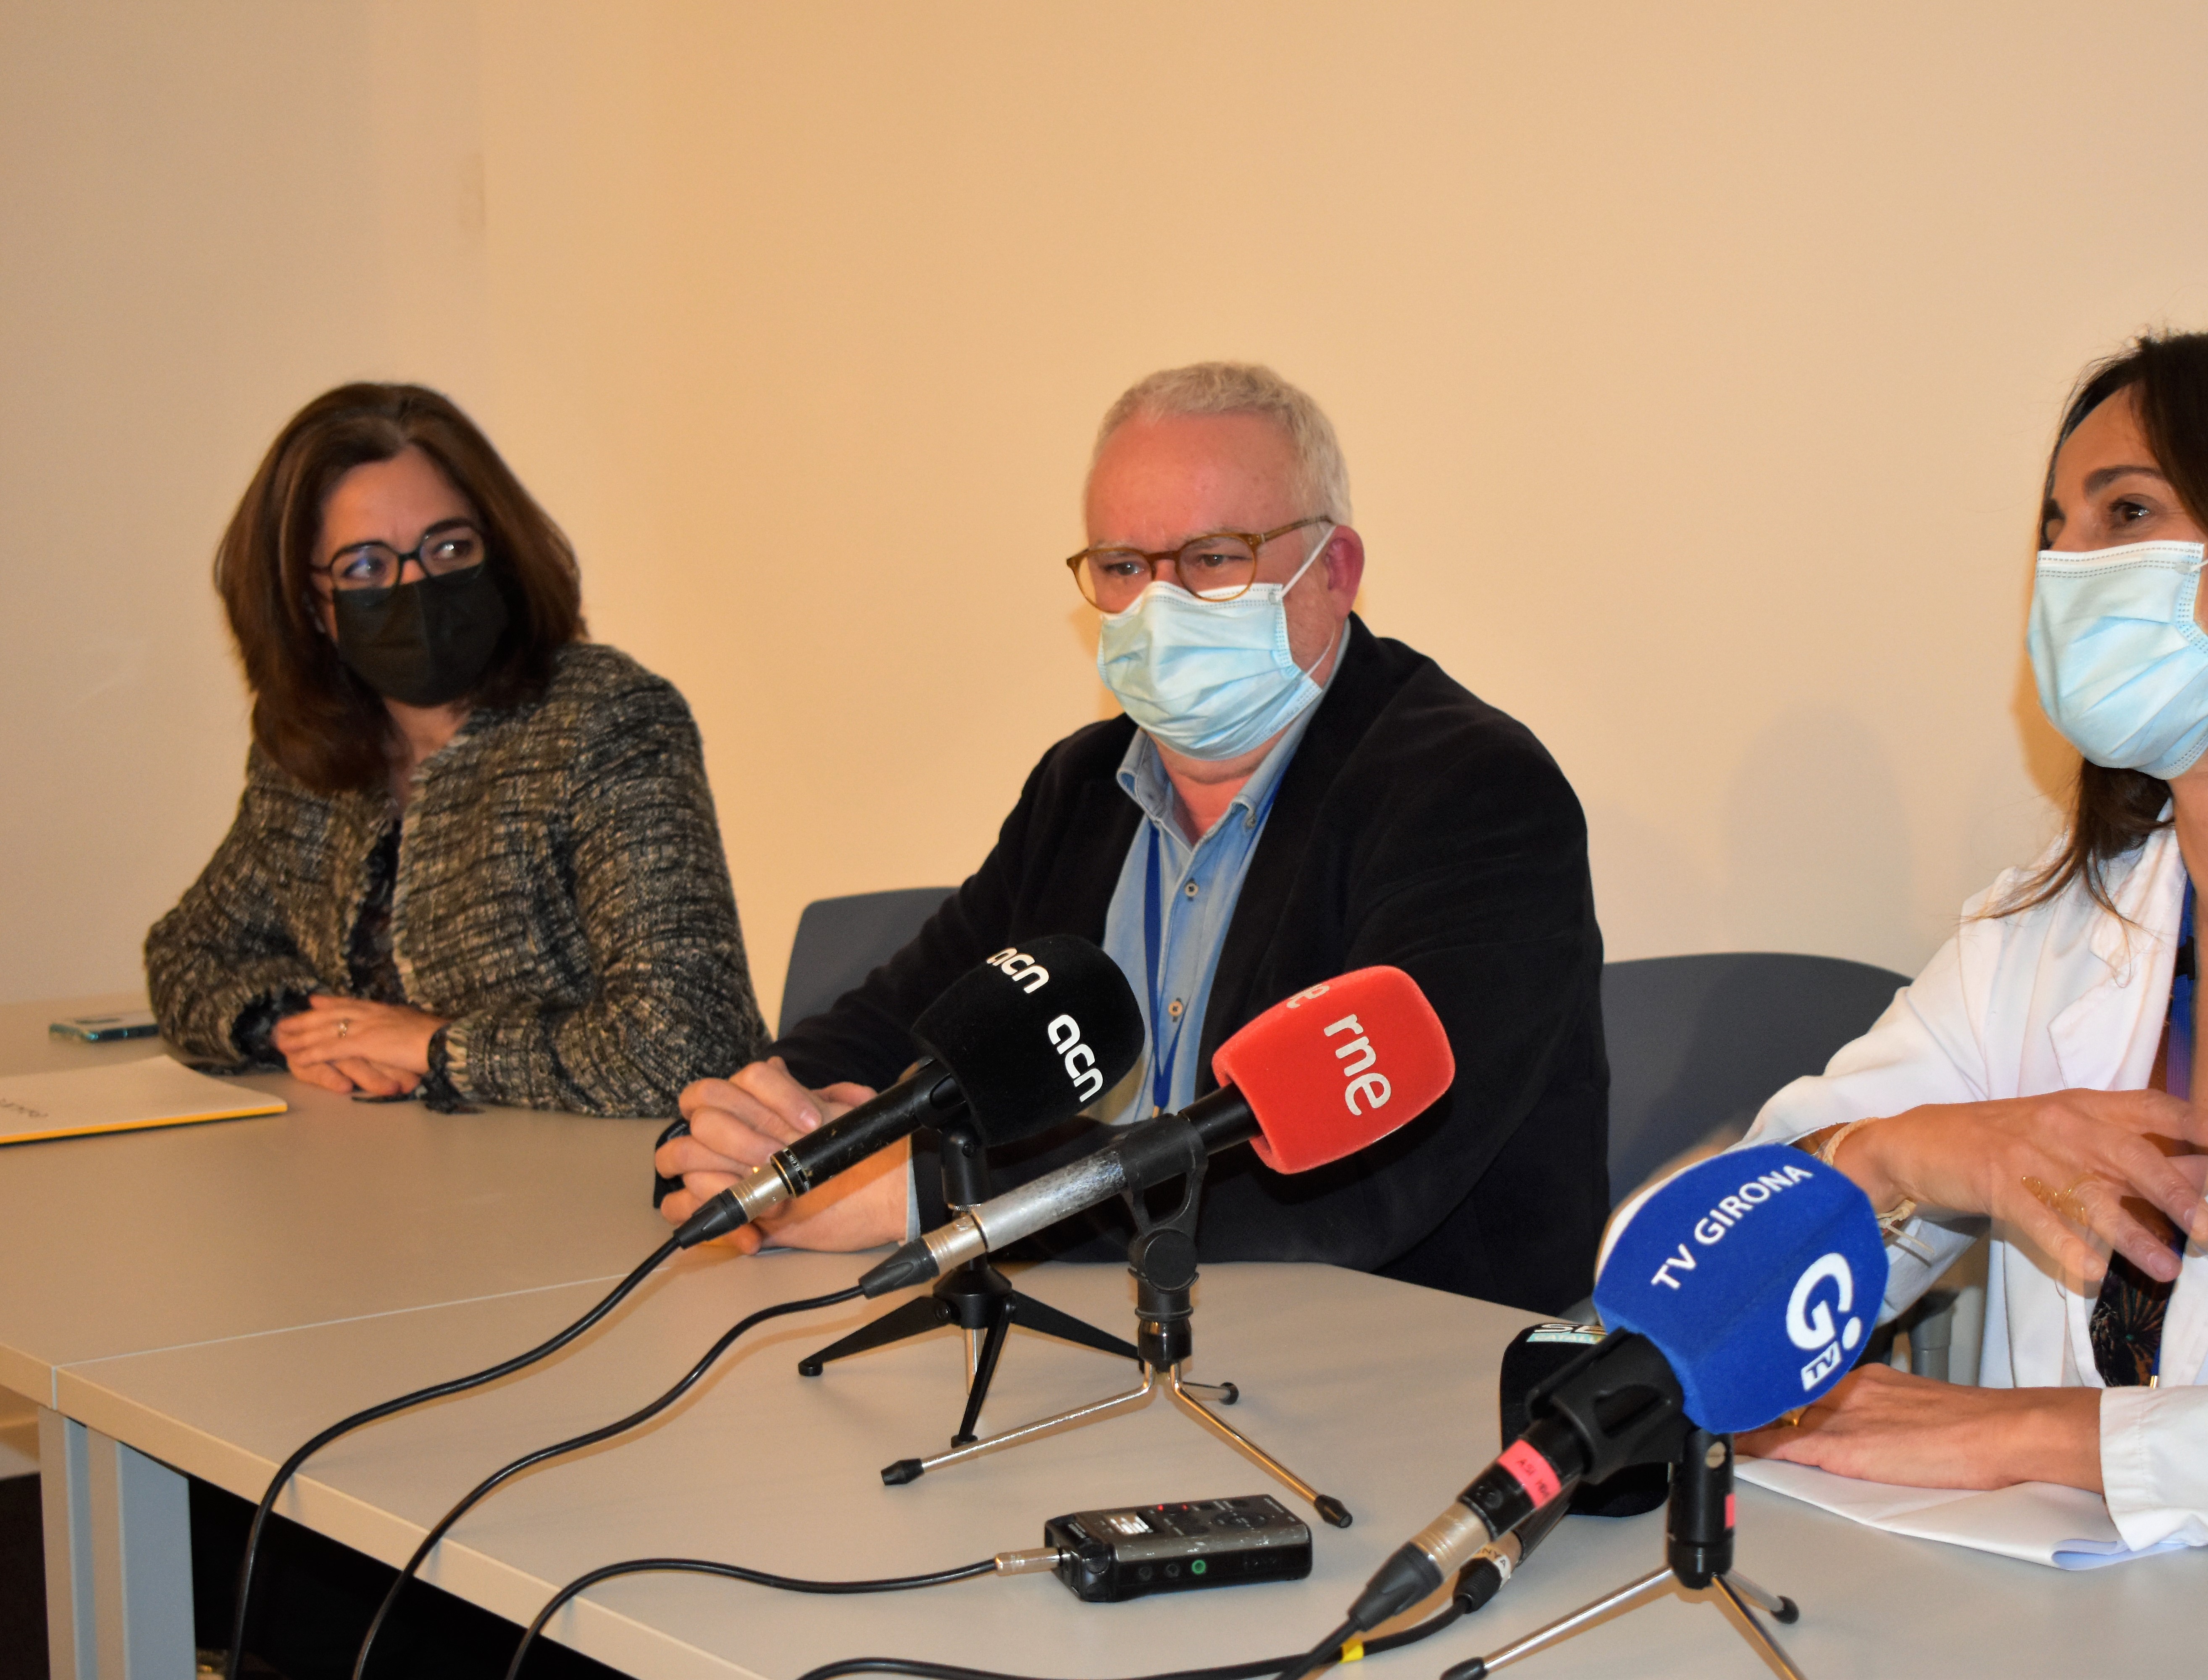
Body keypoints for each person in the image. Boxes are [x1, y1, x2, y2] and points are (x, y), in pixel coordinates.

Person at [1735, 327, 2208, 1577]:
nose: (2065, 570)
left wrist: (2052, 1437)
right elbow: (1683, 1311)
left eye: (2128, 512)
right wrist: (1900, 1155)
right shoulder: (2041, 939)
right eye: (2056, 528)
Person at [657, 362, 1606, 1313]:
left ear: (1335, 572)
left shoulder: (1475, 792)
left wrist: (927, 1196)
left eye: (1214, 558)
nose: (1160, 604)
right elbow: (896, 1026)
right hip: (1108, 1331)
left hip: (1401, 1357)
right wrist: (751, 1130)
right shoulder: (1083, 785)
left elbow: (1356, 1188)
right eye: (1123, 568)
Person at [147, 383, 763, 1116]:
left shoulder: (605, 719)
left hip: (618, 1165)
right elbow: (187, 957)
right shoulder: (308, 750)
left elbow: (691, 1043)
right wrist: (308, 1034)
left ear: (498, 552)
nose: (418, 586)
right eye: (366, 567)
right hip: (385, 1163)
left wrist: (438, 1046)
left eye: (449, 548)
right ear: (309, 604)